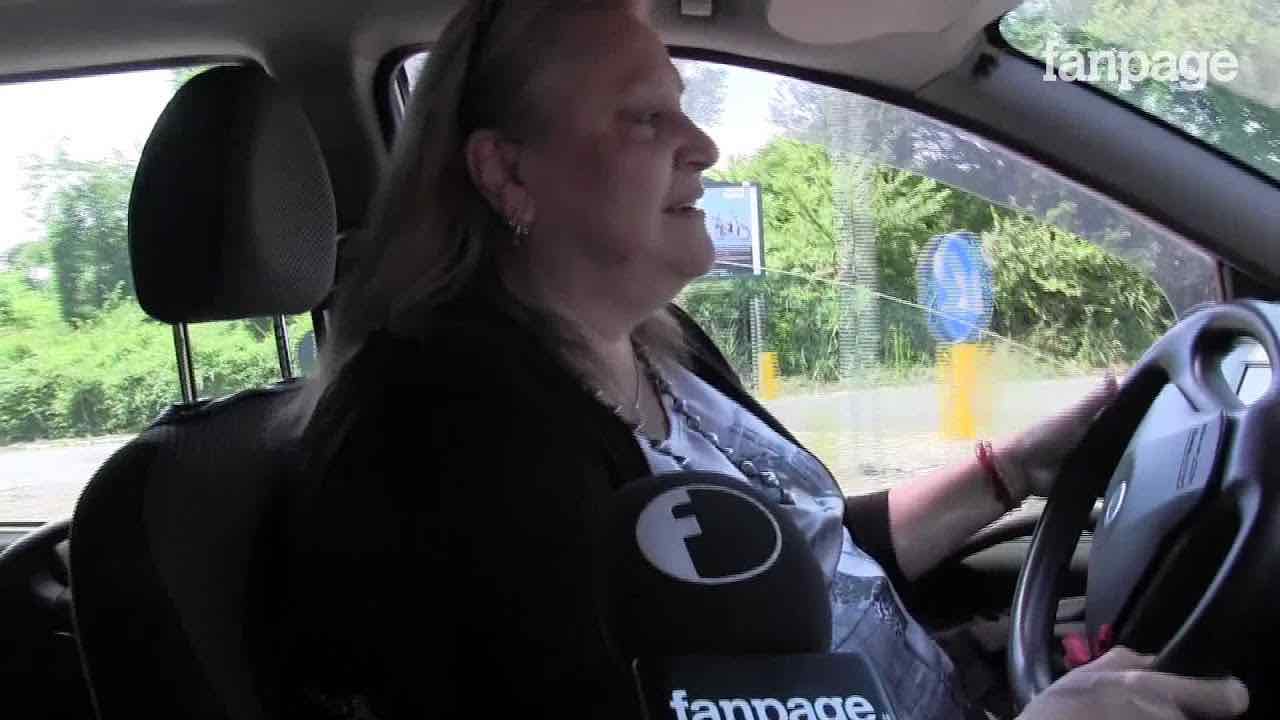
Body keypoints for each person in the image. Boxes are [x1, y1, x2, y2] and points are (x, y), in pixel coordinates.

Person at [268, 1, 1251, 719]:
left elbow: (805, 557)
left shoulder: (656, 346)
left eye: (681, 109)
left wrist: (1016, 469)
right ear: (506, 169)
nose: (701, 143)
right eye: (644, 116)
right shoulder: (445, 432)